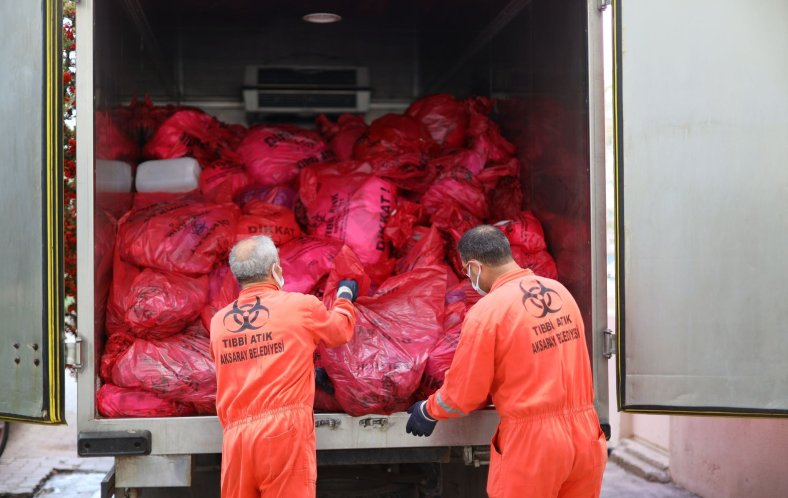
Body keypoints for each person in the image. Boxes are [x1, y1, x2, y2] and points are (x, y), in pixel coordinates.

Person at [405, 225, 607, 498]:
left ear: (475, 266)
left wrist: (427, 411)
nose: (469, 278)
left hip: (534, 447)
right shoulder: (560, 294)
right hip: (586, 435)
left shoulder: (488, 312)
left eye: (467, 271)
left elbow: (464, 394)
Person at [210, 235, 359, 498]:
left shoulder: (219, 323)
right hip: (283, 434)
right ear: (275, 270)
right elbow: (339, 332)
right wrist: (345, 296)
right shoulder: (300, 306)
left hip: (236, 439)